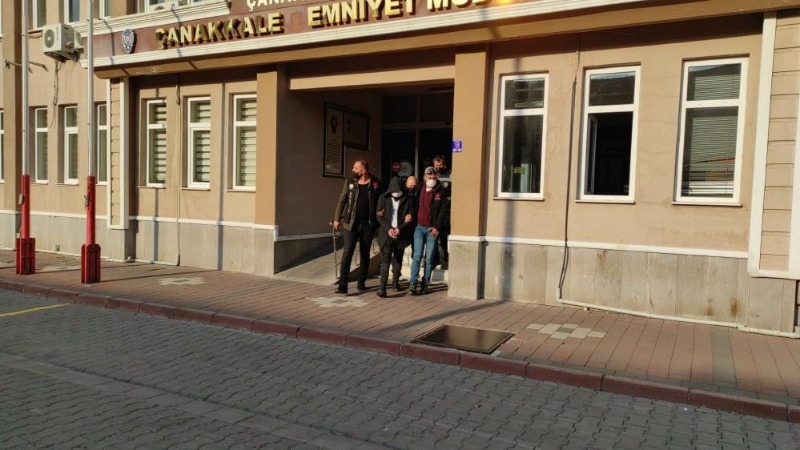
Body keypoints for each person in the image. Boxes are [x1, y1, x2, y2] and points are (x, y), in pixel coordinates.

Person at [332, 160, 383, 294]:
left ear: (363, 170)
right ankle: (343, 285)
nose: (353, 170)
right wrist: (337, 218)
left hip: (368, 224)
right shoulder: (350, 182)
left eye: (355, 168)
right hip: (351, 224)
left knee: (365, 254)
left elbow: (383, 199)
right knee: (347, 252)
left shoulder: (376, 183)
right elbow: (342, 199)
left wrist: (381, 213)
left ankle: (361, 282)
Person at [408, 166, 450, 295]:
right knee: (417, 256)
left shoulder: (441, 191)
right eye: (429, 177)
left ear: (436, 177)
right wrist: (410, 215)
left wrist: (437, 227)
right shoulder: (419, 188)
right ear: (425, 176)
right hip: (419, 227)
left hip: (432, 229)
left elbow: (443, 211)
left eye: (433, 177)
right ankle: (413, 284)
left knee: (429, 258)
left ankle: (425, 283)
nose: (431, 179)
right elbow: (412, 204)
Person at [375, 177, 415, 297]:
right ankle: (382, 288)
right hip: (386, 234)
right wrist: (388, 228)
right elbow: (379, 215)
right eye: (394, 191)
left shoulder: (408, 199)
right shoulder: (383, 198)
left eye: (398, 191)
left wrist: (400, 228)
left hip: (401, 234)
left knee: (398, 259)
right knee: (385, 260)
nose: (396, 193)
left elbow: (410, 216)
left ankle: (395, 282)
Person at [432, 155, 451, 270]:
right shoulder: (431, 175)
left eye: (440, 165)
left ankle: (446, 254)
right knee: (434, 234)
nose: (438, 167)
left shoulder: (450, 174)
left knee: (443, 234)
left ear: (444, 165)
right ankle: (435, 258)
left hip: (447, 208)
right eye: (436, 165)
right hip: (434, 208)